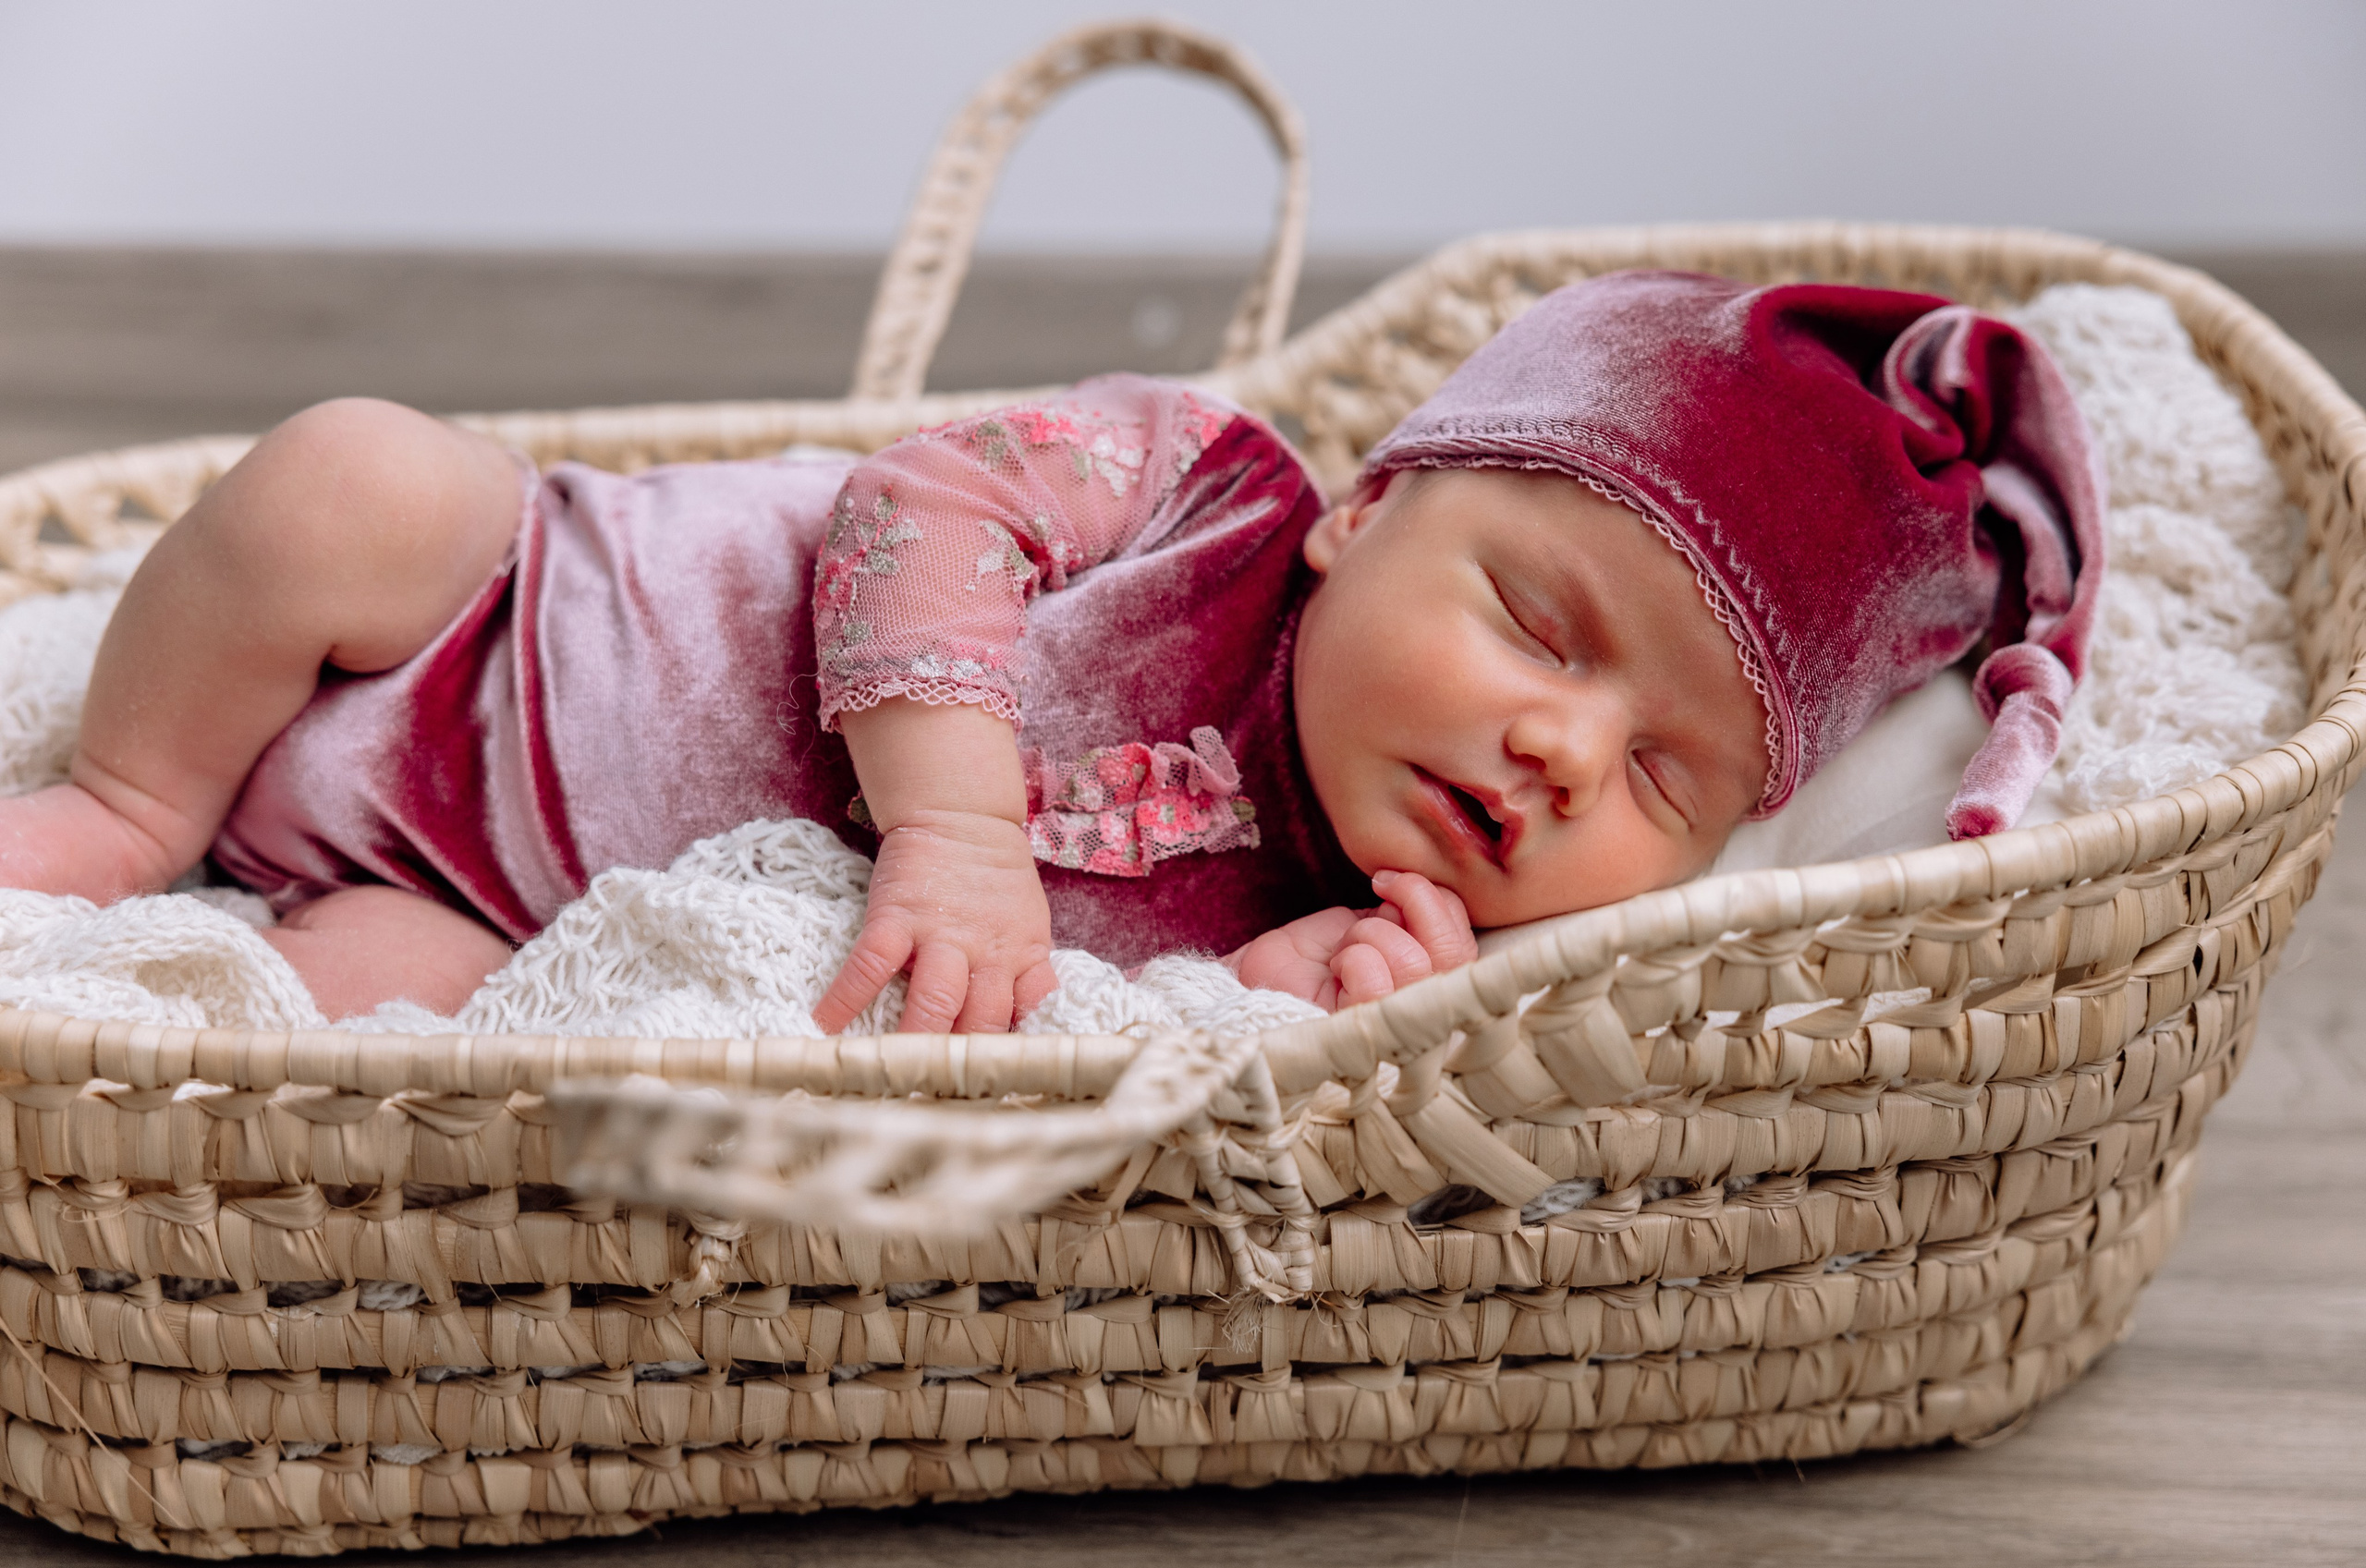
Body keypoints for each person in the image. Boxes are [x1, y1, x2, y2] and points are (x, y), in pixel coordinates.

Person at [0, 272, 2102, 1028]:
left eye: (1664, 782)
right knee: (344, 475)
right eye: (1542, 624)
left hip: (498, 901)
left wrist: (1286, 1000)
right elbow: (928, 503)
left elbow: (1140, 1039)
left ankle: (160, 944)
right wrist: (954, 827)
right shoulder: (1213, 488)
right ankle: (127, 795)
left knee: (338, 1040)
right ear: (1372, 508)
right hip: (488, 620)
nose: (1563, 748)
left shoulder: (1360, 909)